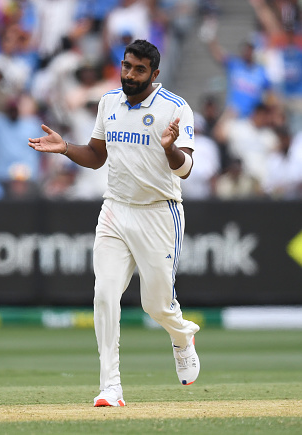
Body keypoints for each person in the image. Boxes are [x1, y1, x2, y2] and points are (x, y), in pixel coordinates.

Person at [29, 39, 200, 407]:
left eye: (139, 70)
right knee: (104, 295)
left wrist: (170, 147)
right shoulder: (109, 102)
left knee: (156, 305)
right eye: (126, 66)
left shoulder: (175, 108)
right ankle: (111, 387)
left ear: (154, 74)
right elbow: (95, 157)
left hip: (159, 211)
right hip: (115, 210)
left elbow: (185, 169)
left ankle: (182, 334)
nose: (130, 74)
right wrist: (65, 148)